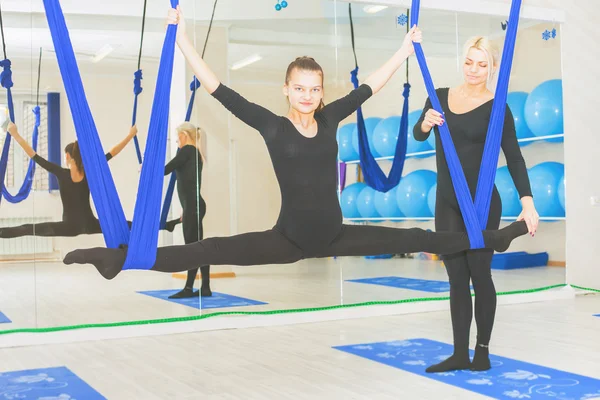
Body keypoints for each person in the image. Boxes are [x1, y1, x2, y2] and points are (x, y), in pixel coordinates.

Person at [63, 7, 530, 298]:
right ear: (287, 90)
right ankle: (121, 259)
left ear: (321, 91)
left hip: (335, 236)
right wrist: (180, 38)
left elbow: (370, 86)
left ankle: (495, 238)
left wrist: (405, 49)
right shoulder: (272, 125)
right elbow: (219, 89)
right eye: (300, 88)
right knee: (207, 247)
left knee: (417, 238)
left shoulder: (329, 119)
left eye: (315, 88)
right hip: (287, 238)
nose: (308, 95)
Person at [413, 36, 539, 372]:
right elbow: (419, 134)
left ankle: (481, 350)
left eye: (482, 64)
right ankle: (458, 353)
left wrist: (528, 202)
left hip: (482, 202)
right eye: (469, 61)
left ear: (493, 67)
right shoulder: (438, 97)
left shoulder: (498, 108)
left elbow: (513, 156)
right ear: (462, 60)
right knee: (456, 278)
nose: (474, 70)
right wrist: (425, 122)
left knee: (479, 274)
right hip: (448, 201)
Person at [0, 123, 180, 238]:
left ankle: (167, 225)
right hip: (89, 224)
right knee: (132, 225)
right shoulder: (90, 172)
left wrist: (15, 135)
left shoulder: (61, 173)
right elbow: (113, 152)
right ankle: (167, 225)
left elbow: (34, 156)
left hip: (69, 227)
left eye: (65, 155)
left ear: (69, 156)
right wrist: (130, 135)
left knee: (27, 229)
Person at [164, 122, 211, 298]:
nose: (178, 142)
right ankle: (204, 287)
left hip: (194, 205)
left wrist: (145, 169)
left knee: (193, 248)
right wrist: (186, 208)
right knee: (199, 247)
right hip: (193, 205)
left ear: (184, 135)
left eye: (178, 138)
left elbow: (165, 170)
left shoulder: (187, 151)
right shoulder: (194, 153)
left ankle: (189, 288)